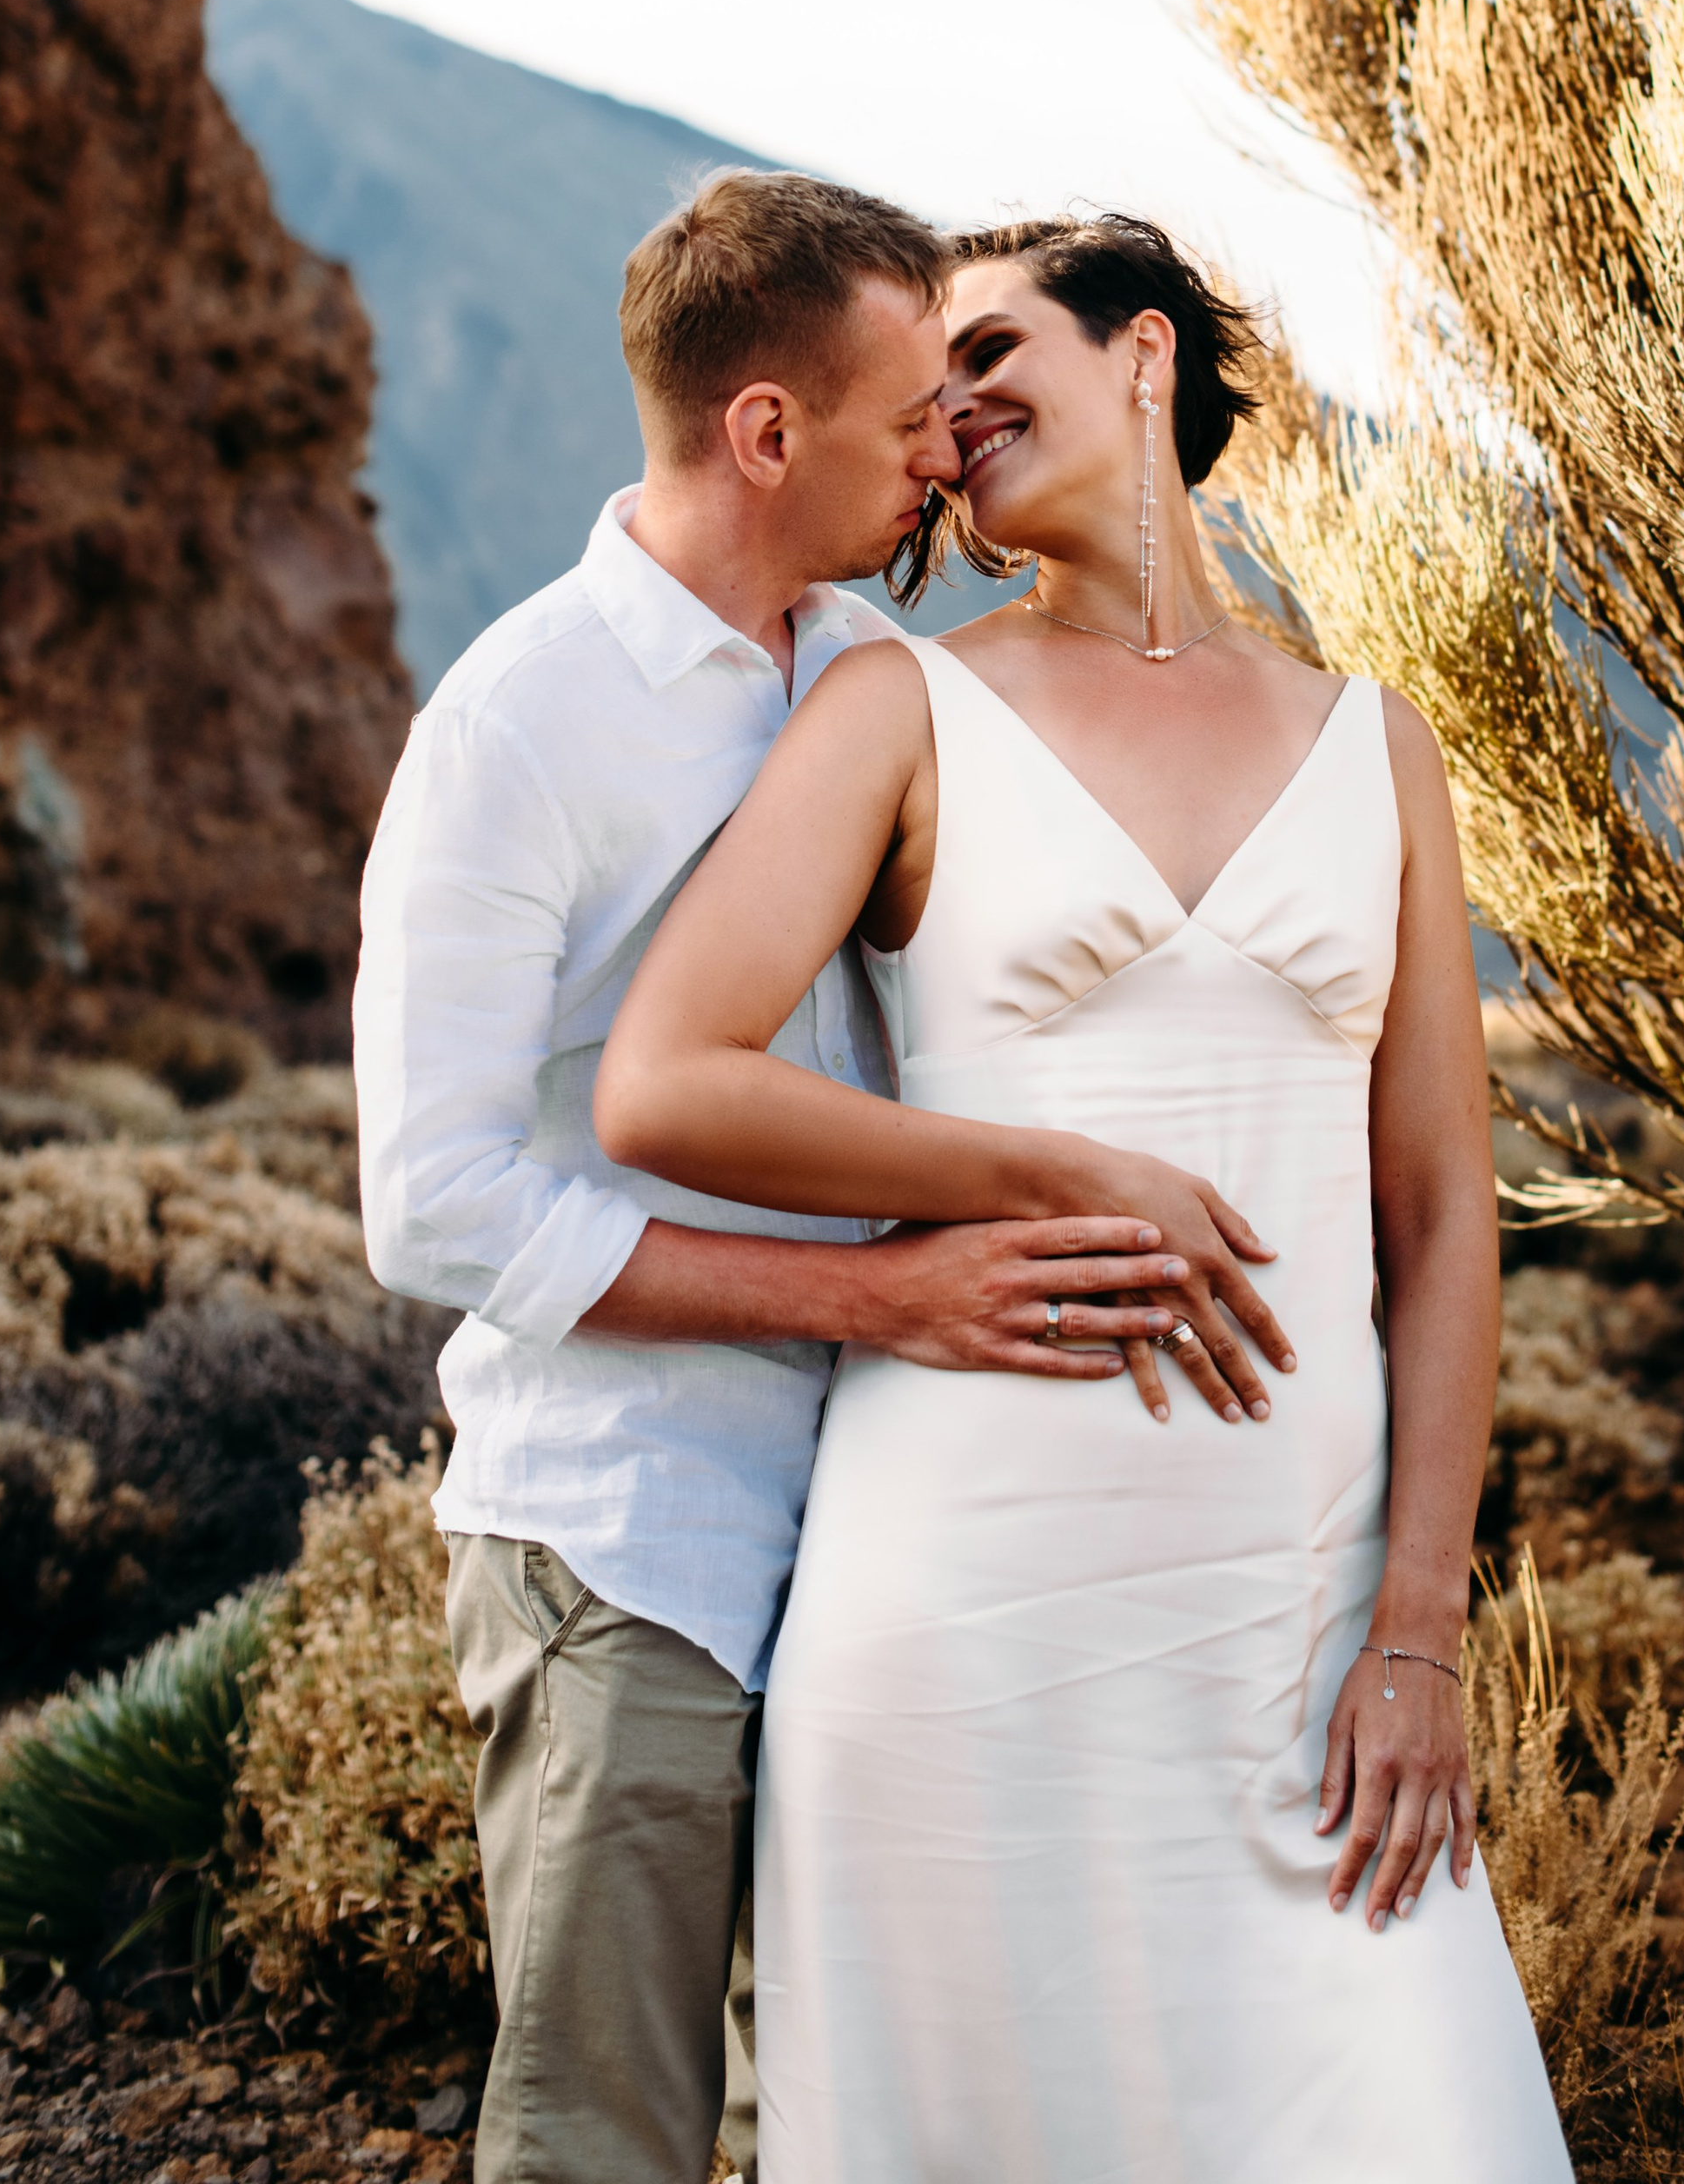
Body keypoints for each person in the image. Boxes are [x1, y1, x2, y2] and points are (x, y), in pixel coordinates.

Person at [596, 213, 1575, 2182]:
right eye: (923, 389)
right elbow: (662, 1079)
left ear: (1139, 355)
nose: (947, 415)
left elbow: (1443, 1220)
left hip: (1296, 1628)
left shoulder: (1375, 747)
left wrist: (1417, 1634)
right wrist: (1041, 1169)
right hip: (964, 1611)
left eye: (985, 350)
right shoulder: (898, 709)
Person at [355, 174, 1286, 2184]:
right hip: (632, 1544)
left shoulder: (872, 668)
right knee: (606, 2131)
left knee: (859, 2111)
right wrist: (872, 1296)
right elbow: (428, 1204)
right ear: (764, 433)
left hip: (892, 1530)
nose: (942, 454)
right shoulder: (518, 725)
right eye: (902, 421)